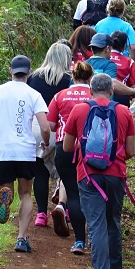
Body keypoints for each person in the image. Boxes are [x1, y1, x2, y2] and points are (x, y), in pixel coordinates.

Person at [62, 73, 135, 269]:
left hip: (88, 176)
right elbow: (131, 151)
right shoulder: (123, 112)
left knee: (96, 225)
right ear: (112, 91)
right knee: (113, 222)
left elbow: (67, 147)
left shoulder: (79, 110)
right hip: (115, 176)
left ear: (90, 90)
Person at [0, 55, 51, 253]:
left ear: (10, 71)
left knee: (5, 188)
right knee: (26, 194)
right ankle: (21, 238)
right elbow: (44, 126)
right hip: (25, 152)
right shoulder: (34, 94)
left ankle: (4, 197)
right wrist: (44, 142)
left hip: (1, 152)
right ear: (29, 72)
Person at [26, 42, 74, 234]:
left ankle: (41, 214)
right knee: (65, 170)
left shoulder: (34, 77)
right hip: (60, 128)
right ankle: (65, 207)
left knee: (40, 171)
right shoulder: (67, 79)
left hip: (37, 127)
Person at [47, 61, 94, 253]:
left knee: (73, 195)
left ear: (72, 76)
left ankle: (80, 242)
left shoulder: (59, 95)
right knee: (90, 194)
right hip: (90, 148)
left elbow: (50, 125)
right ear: (90, 77)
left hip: (64, 148)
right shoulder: (95, 94)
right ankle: (96, 237)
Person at [86, 32, 135, 102]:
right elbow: (113, 83)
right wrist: (134, 91)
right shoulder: (111, 64)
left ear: (92, 49)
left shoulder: (83, 64)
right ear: (107, 49)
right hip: (109, 104)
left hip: (87, 102)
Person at [108, 31, 135, 107]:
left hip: (101, 96)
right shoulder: (129, 62)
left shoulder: (103, 58)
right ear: (124, 46)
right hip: (121, 98)